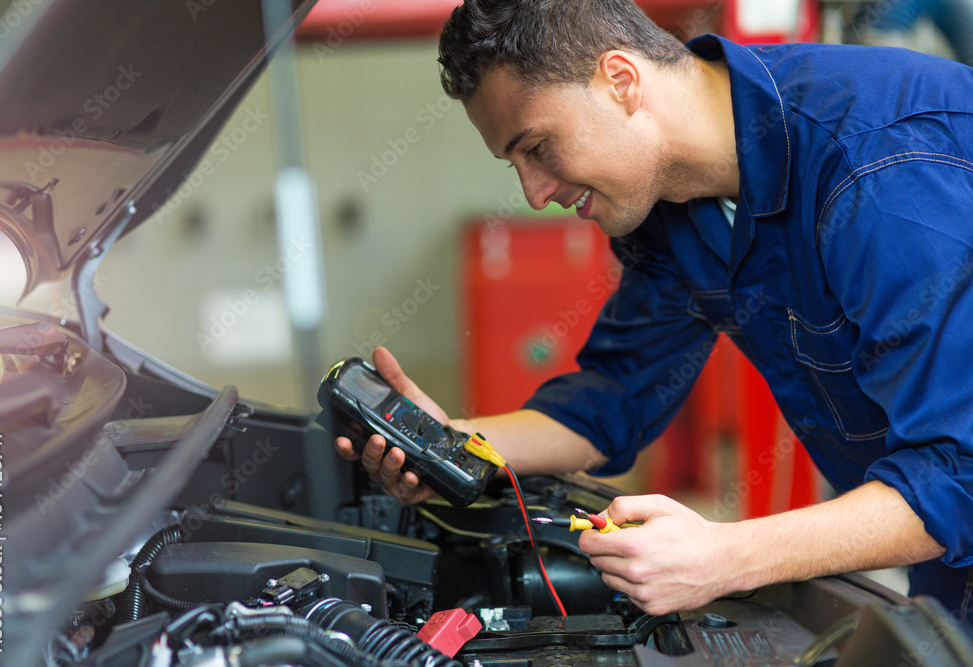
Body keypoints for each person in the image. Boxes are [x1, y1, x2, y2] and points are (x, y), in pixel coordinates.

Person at [334, 0, 973, 628]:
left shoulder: (877, 170)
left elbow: (959, 474)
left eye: (538, 147)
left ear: (621, 81)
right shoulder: (671, 203)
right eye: (515, 164)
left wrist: (727, 556)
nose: (534, 193)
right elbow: (616, 397)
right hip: (943, 552)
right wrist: (452, 445)